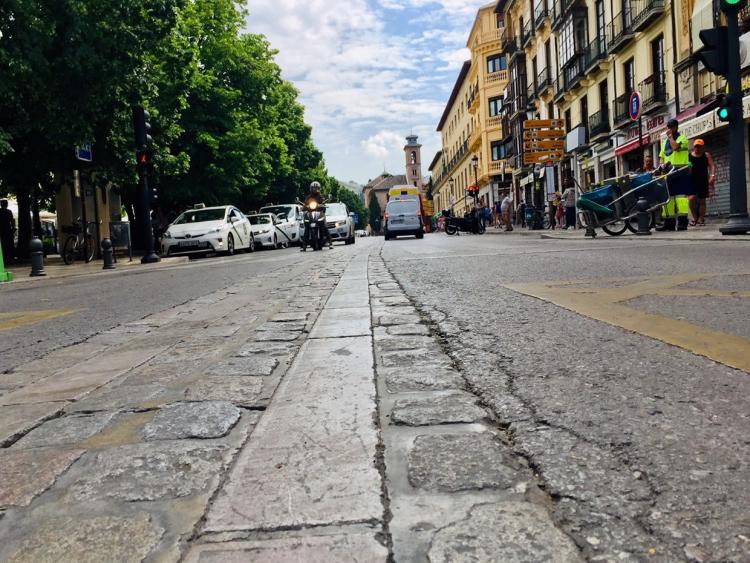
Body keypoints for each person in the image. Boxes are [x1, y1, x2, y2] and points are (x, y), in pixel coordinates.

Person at [658, 118, 690, 230]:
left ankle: (682, 222)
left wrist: (671, 137)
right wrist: (661, 164)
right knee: (668, 198)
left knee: (681, 197)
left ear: (676, 127)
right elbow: (662, 156)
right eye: (668, 127)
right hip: (668, 173)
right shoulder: (664, 142)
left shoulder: (683, 138)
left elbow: (676, 147)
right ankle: (669, 223)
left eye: (672, 127)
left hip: (681, 171)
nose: (670, 129)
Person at [688, 139, 715, 226]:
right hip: (691, 180)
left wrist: (712, 176)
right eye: (696, 146)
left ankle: (701, 219)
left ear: (702, 147)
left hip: (703, 180)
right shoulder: (689, 156)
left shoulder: (706, 155)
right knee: (691, 198)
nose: (697, 148)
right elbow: (685, 167)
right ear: (694, 146)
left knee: (702, 200)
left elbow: (712, 165)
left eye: (699, 146)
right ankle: (695, 217)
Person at [301, 181, 332, 250]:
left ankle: (330, 242)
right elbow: (305, 204)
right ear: (310, 188)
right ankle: (304, 245)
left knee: (324, 226)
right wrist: (303, 207)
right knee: (306, 228)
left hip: (319, 213)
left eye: (316, 188)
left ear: (319, 188)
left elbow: (323, 203)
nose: (314, 189)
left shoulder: (320, 196)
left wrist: (323, 205)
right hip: (310, 214)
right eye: (313, 188)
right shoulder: (308, 197)